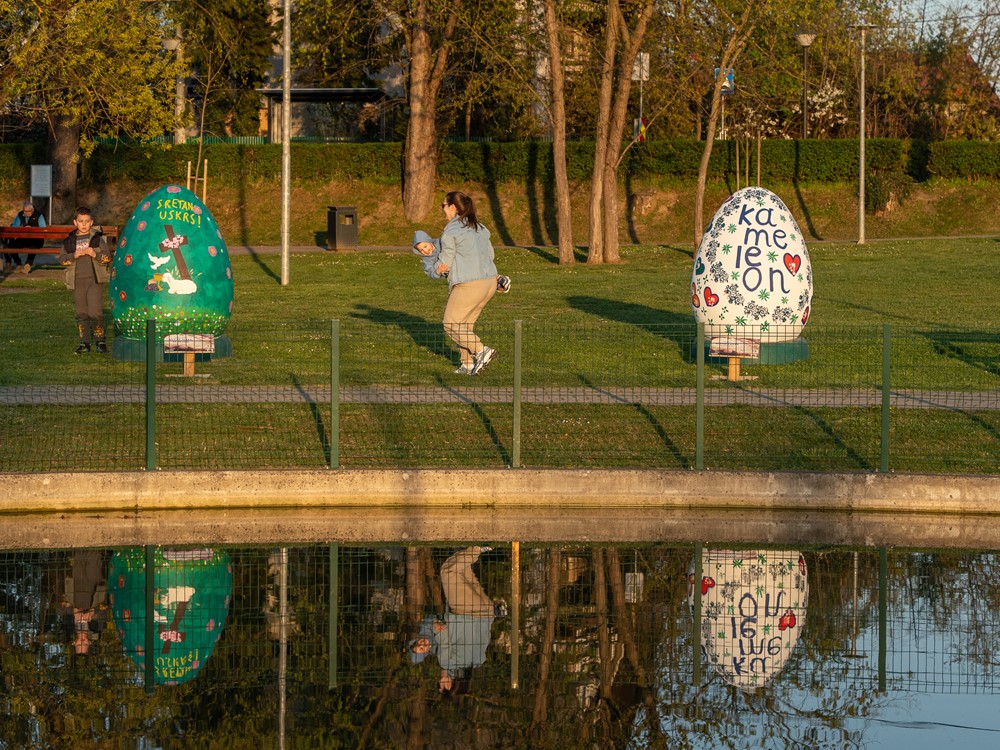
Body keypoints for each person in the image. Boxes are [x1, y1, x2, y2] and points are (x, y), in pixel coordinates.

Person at [408, 546, 506, 695]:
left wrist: (493, 615)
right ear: (451, 684)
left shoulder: (479, 662)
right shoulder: (446, 662)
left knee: (463, 569)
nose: (440, 680)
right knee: (448, 571)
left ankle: (470, 544)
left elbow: (485, 637)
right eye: (443, 684)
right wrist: (435, 626)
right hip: (465, 610)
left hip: (486, 612)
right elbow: (444, 634)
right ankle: (481, 547)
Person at [435, 192, 501, 376]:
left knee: (450, 324)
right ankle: (467, 364)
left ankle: (481, 351)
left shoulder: (451, 231)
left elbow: (446, 262)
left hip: (469, 284)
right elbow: (490, 256)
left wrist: (436, 269)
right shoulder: (480, 227)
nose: (442, 210)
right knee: (464, 325)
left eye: (443, 206)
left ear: (453, 207)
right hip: (489, 283)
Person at [59, 207, 112, 354]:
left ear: (91, 222)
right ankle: (84, 343)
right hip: (77, 281)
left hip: (94, 280)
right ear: (75, 222)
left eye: (87, 221)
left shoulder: (97, 239)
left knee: (95, 312)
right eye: (81, 221)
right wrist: (73, 256)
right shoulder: (69, 241)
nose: (84, 224)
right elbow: (62, 260)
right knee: (81, 312)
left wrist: (95, 254)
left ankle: (100, 341)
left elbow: (108, 257)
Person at [412, 229, 511, 294]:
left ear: (430, 241)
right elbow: (430, 272)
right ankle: (494, 283)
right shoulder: (427, 260)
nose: (425, 250)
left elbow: (450, 244)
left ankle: (497, 279)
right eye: (421, 250)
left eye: (425, 246)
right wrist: (438, 271)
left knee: (476, 268)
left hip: (460, 263)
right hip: (452, 274)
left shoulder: (440, 242)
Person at [4, 200, 46, 275]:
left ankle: (28, 265)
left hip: (36, 240)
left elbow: (43, 228)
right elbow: (14, 227)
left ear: (32, 210)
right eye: (24, 211)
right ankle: (18, 263)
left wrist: (32, 227)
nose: (26, 213)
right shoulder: (20, 215)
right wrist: (22, 227)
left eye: (28, 211)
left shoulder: (38, 215)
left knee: (34, 247)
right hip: (23, 239)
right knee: (10, 246)